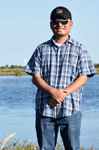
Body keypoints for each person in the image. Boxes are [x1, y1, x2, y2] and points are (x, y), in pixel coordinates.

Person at [24, 6, 96, 150]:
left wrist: (62, 94)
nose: (60, 25)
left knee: (72, 148)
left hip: (71, 110)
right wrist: (53, 92)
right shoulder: (41, 49)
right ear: (51, 24)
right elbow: (35, 77)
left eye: (64, 22)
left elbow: (83, 78)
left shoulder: (80, 49)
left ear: (71, 24)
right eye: (56, 22)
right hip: (44, 110)